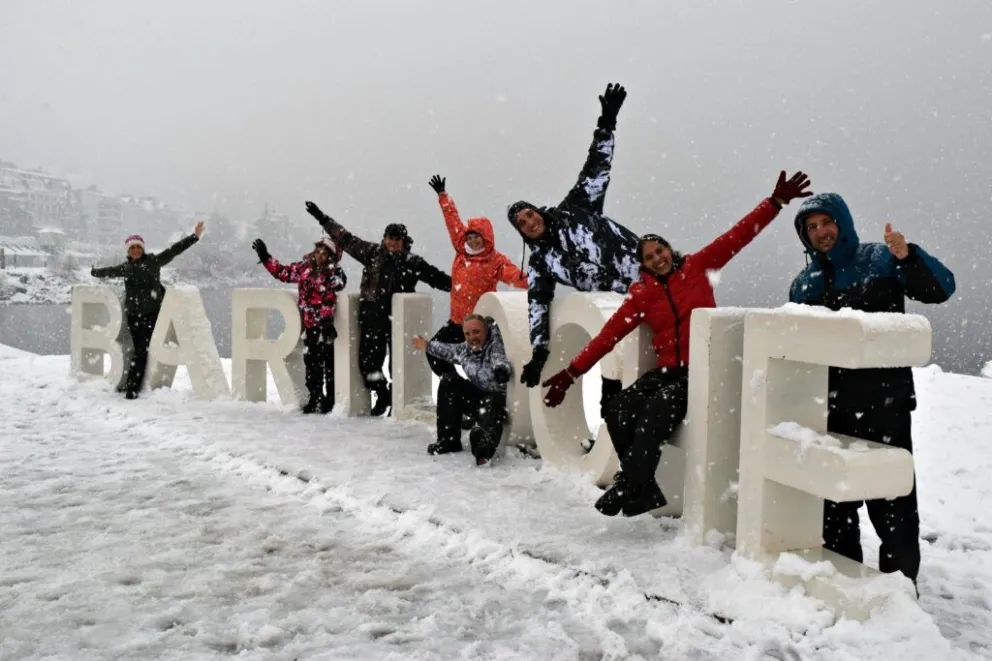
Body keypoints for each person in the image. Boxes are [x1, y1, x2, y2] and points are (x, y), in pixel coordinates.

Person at [542, 172, 812, 517]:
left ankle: (631, 484)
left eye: (660, 250)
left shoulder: (698, 267)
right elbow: (608, 336)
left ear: (670, 249)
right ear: (642, 266)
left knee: (656, 411)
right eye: (650, 257)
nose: (658, 259)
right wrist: (571, 372)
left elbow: (738, 236)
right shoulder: (642, 295)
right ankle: (644, 488)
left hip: (701, 370)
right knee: (618, 409)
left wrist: (774, 203)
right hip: (667, 371)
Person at [789, 192, 955, 590]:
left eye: (826, 223)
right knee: (835, 500)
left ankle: (899, 587)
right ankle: (845, 583)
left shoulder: (880, 257)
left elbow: (940, 289)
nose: (820, 232)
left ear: (842, 222)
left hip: (886, 403)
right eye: (811, 228)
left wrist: (908, 257)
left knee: (893, 500)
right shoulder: (803, 283)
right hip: (829, 408)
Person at [505, 82, 639, 425]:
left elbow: (597, 167)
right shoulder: (540, 263)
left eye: (530, 213)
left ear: (539, 211)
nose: (530, 221)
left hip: (649, 280)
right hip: (617, 312)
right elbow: (537, 305)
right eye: (522, 222)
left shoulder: (576, 209)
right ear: (520, 232)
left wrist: (606, 124)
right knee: (617, 389)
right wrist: (539, 352)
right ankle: (623, 455)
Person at [305, 201, 452, 416]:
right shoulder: (372, 253)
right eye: (389, 238)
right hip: (373, 318)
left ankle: (396, 401)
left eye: (396, 239)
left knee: (398, 368)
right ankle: (382, 394)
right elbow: (345, 238)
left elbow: (438, 278)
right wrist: (321, 217)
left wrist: (463, 287)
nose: (392, 243)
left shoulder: (413, 262)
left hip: (400, 322)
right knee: (368, 365)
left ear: (403, 241)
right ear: (384, 238)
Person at [425, 174, 527, 376]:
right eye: (470, 237)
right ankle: (455, 386)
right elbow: (453, 222)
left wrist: (533, 281)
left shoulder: (495, 261)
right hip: (457, 324)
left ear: (487, 238)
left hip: (480, 327)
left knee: (481, 369)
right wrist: (443, 196)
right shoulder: (461, 251)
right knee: (434, 353)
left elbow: (515, 276)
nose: (473, 241)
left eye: (477, 237)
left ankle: (481, 399)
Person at [90, 221, 205, 399]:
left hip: (151, 315)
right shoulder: (126, 268)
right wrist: (95, 272)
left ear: (142, 249)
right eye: (132, 248)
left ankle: (133, 387)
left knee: (142, 350)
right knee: (136, 350)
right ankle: (129, 382)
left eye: (138, 247)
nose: (136, 250)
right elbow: (110, 271)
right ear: (128, 251)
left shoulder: (153, 262)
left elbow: (173, 251)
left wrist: (194, 237)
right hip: (133, 315)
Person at [252, 236, 347, 414]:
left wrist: (326, 319)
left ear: (332, 256)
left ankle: (331, 400)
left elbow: (333, 292)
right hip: (310, 326)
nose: (319, 255)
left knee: (330, 365)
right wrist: (266, 258)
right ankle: (315, 397)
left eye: (325, 252)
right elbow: (282, 272)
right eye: (318, 250)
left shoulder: (334, 273)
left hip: (327, 327)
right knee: (312, 365)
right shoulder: (304, 267)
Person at [412, 314, 512, 465]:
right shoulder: (465, 350)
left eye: (476, 332)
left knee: (490, 411)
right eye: (467, 334)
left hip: (496, 399)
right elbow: (447, 351)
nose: (472, 337)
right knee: (450, 381)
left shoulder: (494, 345)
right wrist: (426, 345)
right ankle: (449, 440)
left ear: (486, 331)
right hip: (477, 396)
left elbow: (499, 357)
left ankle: (484, 448)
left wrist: (501, 370)